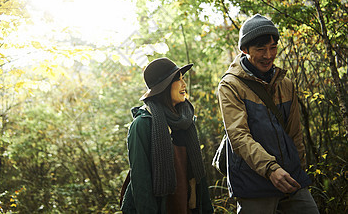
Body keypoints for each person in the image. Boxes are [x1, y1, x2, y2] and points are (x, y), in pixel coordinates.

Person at [217, 14, 319, 213]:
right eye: (261, 49)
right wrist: (271, 169)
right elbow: (239, 137)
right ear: (245, 50)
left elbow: (295, 133)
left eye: (273, 47)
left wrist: (299, 169)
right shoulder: (231, 85)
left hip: (290, 177)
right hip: (253, 182)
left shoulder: (285, 83)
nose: (268, 55)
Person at [121, 57, 214, 214]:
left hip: (187, 205)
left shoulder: (186, 120)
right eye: (178, 80)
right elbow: (141, 182)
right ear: (164, 87)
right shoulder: (142, 125)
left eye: (183, 79)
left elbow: (199, 176)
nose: (184, 85)